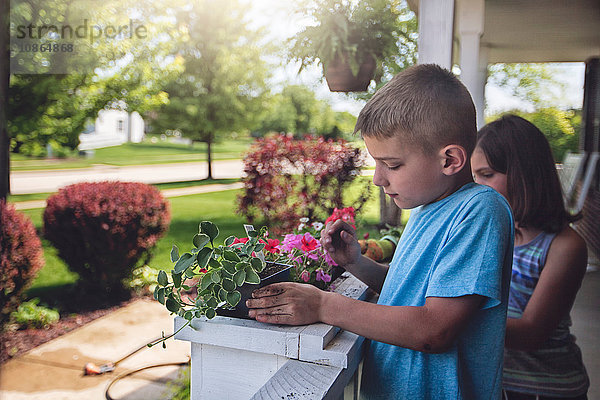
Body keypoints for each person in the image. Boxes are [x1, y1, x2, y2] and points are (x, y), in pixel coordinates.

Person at [246, 64, 514, 399]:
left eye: (393, 164)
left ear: (450, 160)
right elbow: (409, 293)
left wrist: (324, 306)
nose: (378, 178)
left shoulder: (480, 211)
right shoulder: (426, 208)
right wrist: (356, 263)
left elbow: (435, 329)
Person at [471, 114, 589, 400]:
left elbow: (530, 333)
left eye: (486, 175)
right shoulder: (491, 235)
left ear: (524, 174)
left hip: (546, 388)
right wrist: (358, 263)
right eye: (473, 177)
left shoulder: (564, 246)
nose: (475, 188)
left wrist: (446, 318)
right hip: (495, 382)